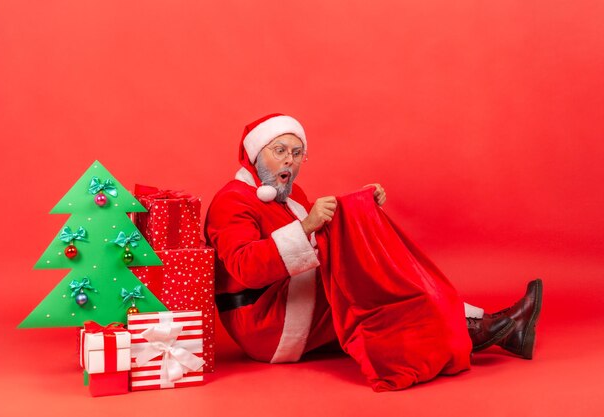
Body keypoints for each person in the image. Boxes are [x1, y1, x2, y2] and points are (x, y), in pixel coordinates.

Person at [205, 114, 543, 383]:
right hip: (266, 323)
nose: (289, 163)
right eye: (279, 151)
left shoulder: (291, 195)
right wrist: (314, 225)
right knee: (373, 289)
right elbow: (245, 268)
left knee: (377, 285)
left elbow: (320, 234)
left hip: (288, 299)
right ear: (254, 153)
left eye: (296, 154)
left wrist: (362, 206)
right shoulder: (232, 201)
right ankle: (490, 326)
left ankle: (495, 326)